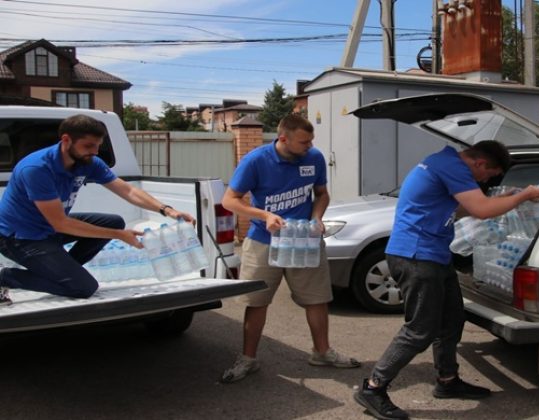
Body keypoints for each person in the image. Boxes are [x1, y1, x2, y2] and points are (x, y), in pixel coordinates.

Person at [353, 140, 539, 419]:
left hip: (434, 254)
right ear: (480, 163)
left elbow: (461, 209)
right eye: (489, 175)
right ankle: (373, 388)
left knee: (452, 319)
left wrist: (505, 199)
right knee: (420, 330)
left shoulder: (442, 163)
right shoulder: (451, 166)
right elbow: (481, 210)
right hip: (417, 256)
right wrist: (525, 195)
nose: (486, 180)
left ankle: (447, 380)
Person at [220, 114, 360, 383]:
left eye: (311, 141)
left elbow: (322, 194)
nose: (309, 146)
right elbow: (230, 200)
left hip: (303, 239)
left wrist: (317, 217)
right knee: (257, 301)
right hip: (263, 240)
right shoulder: (256, 160)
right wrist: (264, 216)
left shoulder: (314, 158)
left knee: (317, 298)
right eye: (303, 142)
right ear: (283, 138)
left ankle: (322, 352)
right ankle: (248, 359)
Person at [0, 114, 194, 305]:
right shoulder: (36, 168)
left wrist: (167, 210)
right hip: (19, 237)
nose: (94, 151)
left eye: (97, 146)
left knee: (114, 222)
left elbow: (127, 190)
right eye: (88, 146)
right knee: (83, 288)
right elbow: (60, 223)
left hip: (49, 229)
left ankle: (63, 269)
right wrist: (118, 235)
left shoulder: (87, 162)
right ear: (66, 140)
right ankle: (6, 276)